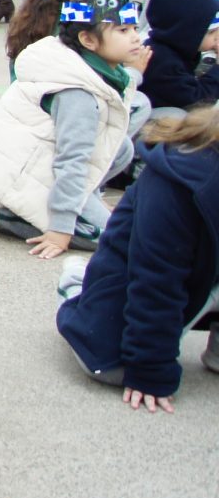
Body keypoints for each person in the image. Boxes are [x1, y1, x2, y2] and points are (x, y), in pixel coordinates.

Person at [54, 104, 219, 415]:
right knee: (109, 364)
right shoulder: (183, 176)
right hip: (133, 284)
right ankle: (75, 285)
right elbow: (156, 277)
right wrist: (150, 369)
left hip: (194, 276)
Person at [0, 0, 149, 260]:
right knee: (118, 238)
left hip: (41, 163)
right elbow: (72, 160)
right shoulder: (77, 94)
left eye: (135, 28)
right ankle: (4, 211)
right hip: (23, 173)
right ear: (88, 40)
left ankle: (82, 201)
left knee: (121, 147)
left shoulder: (85, 65)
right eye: (123, 30)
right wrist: (60, 228)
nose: (136, 37)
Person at [138, 0, 219, 121]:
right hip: (148, 122)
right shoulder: (161, 61)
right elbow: (197, 103)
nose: (217, 38)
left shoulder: (175, 47)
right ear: (185, 32)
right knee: (181, 117)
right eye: (211, 33)